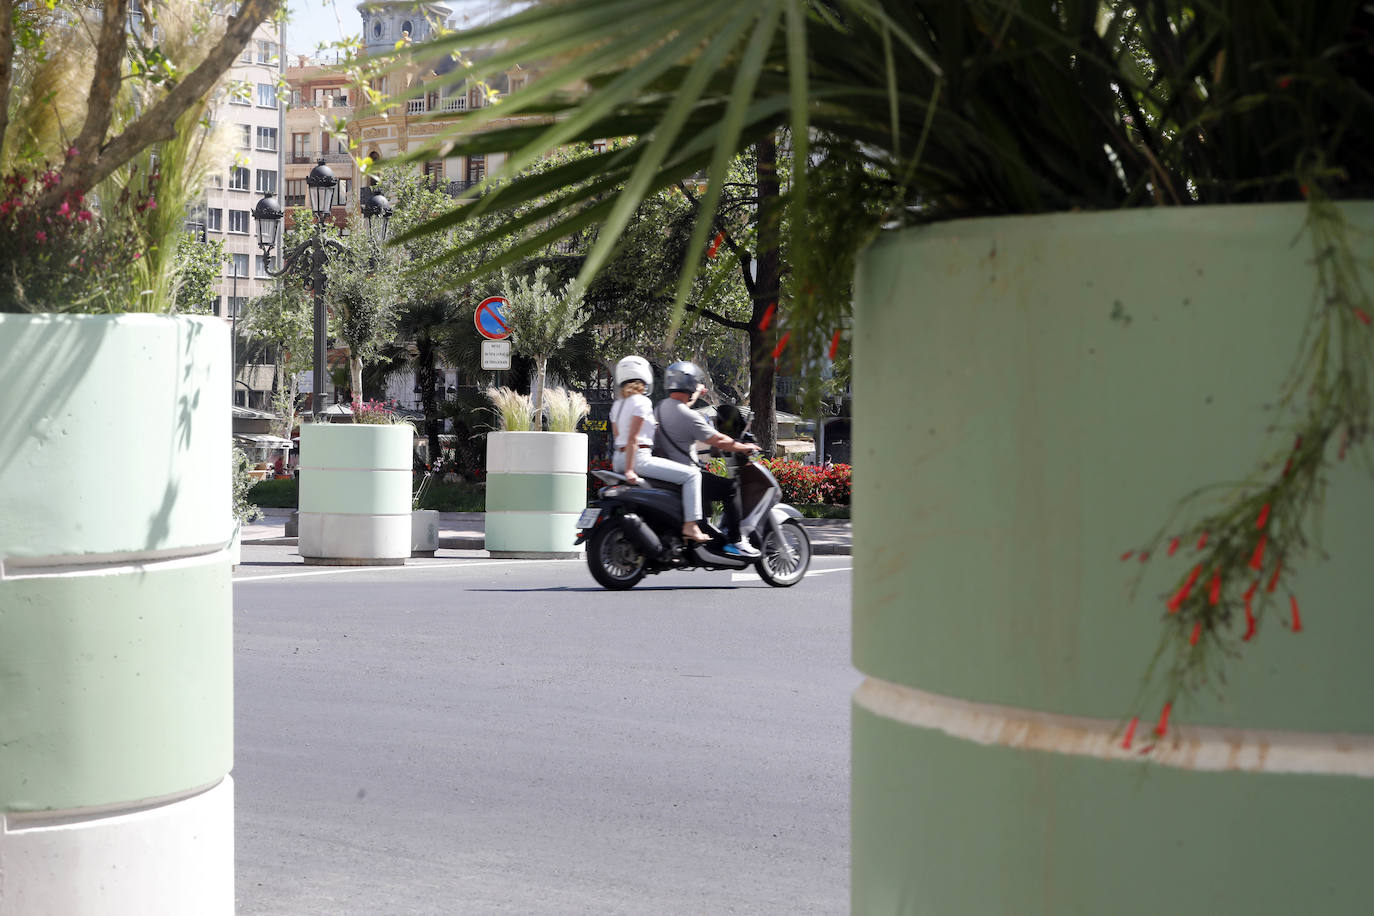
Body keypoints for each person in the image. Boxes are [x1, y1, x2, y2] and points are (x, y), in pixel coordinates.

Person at [653, 360, 761, 558]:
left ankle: (707, 531)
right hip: (686, 473)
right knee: (731, 488)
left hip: (668, 473)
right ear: (690, 385)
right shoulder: (688, 415)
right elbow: (718, 439)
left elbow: (682, 411)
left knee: (706, 482)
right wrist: (744, 447)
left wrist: (696, 392)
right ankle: (738, 541)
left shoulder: (661, 407)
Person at [609, 355, 711, 544]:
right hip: (638, 459)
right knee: (692, 476)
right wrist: (631, 469)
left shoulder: (617, 405)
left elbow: (619, 438)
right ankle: (691, 525)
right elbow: (633, 438)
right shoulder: (642, 402)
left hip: (618, 460)